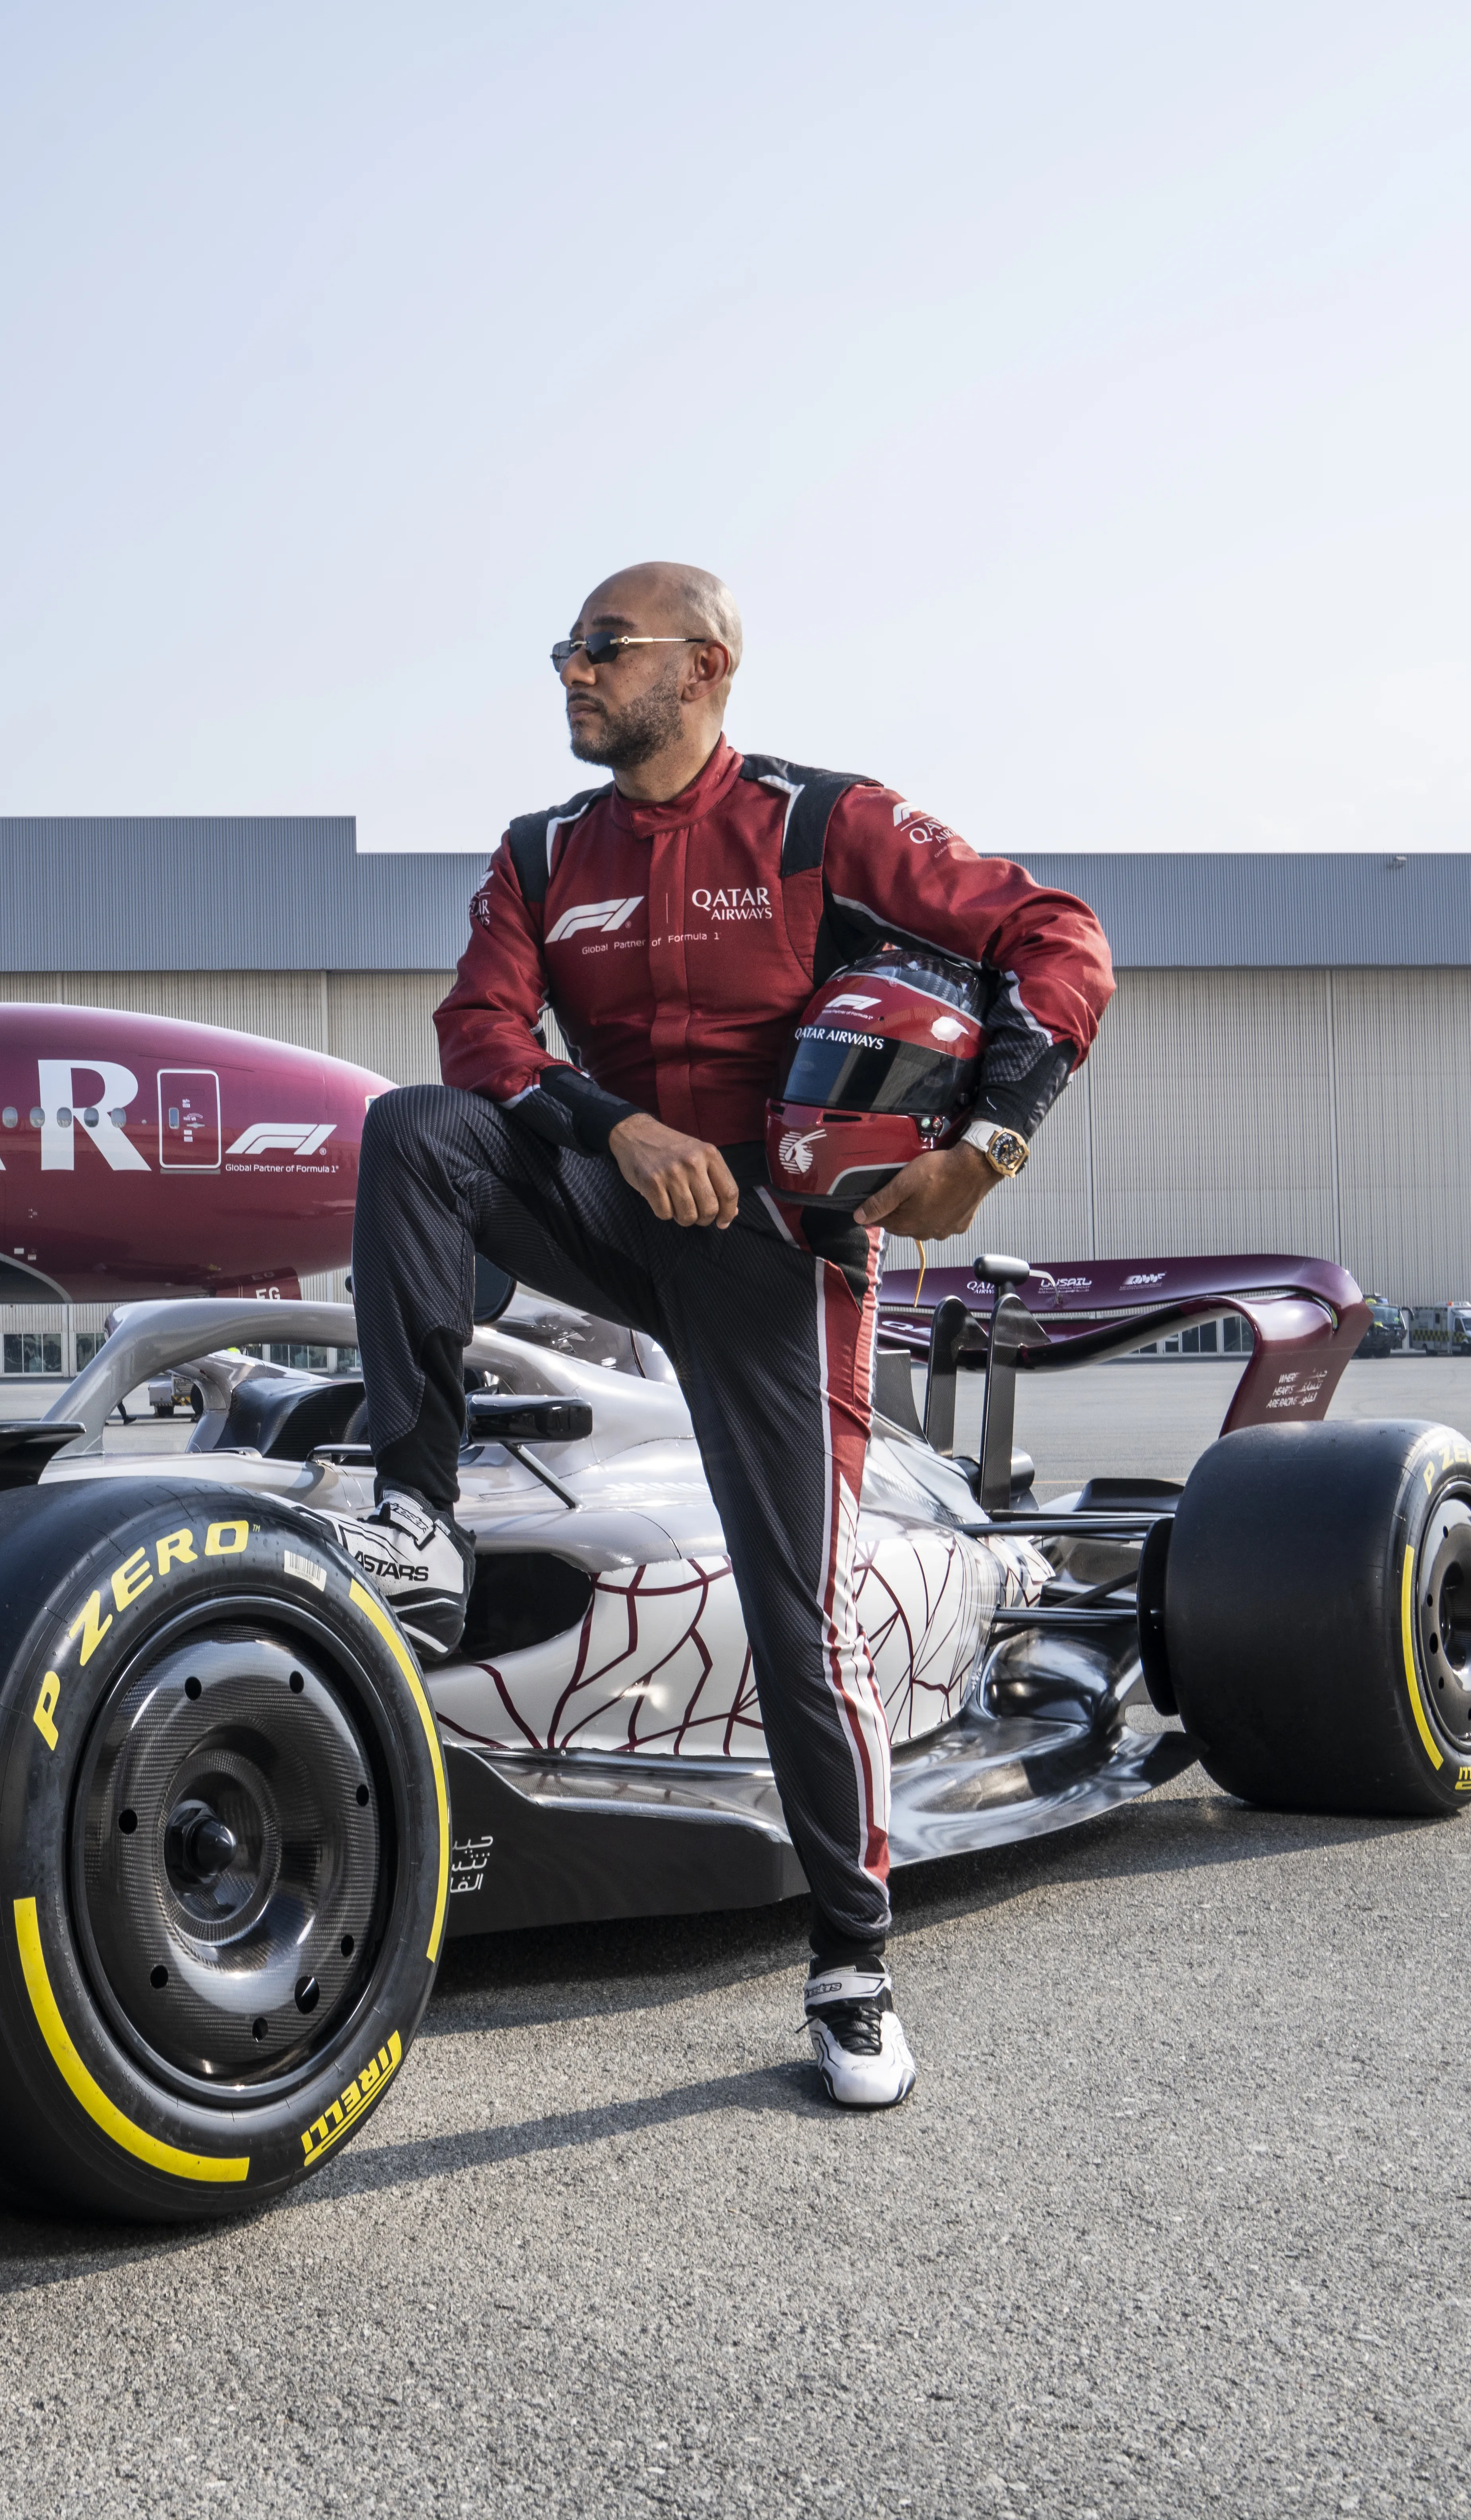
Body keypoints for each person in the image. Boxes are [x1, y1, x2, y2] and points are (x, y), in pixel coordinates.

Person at [344, 561, 1113, 2110]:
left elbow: (1057, 937)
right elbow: (482, 1037)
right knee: (419, 1128)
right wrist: (617, 1133)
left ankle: (850, 1962)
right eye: (563, 648)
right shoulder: (543, 852)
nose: (569, 671)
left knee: (794, 1616)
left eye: (600, 649)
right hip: (618, 1201)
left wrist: (985, 1149)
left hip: (782, 1256)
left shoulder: (829, 825)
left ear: (702, 668)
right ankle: (415, 1517)